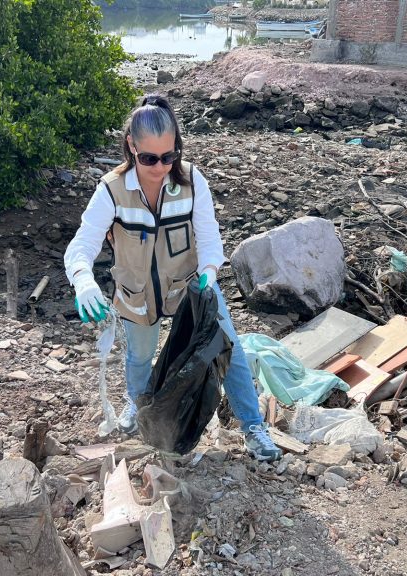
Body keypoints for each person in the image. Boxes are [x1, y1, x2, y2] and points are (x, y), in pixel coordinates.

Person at [64, 94, 282, 462]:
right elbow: (80, 247)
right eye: (149, 158)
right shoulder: (111, 191)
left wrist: (210, 273)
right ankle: (141, 409)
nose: (161, 167)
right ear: (131, 147)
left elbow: (211, 240)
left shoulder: (194, 181)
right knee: (139, 358)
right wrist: (83, 281)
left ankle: (253, 427)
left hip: (192, 288)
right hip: (137, 296)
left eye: (169, 156)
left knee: (231, 351)